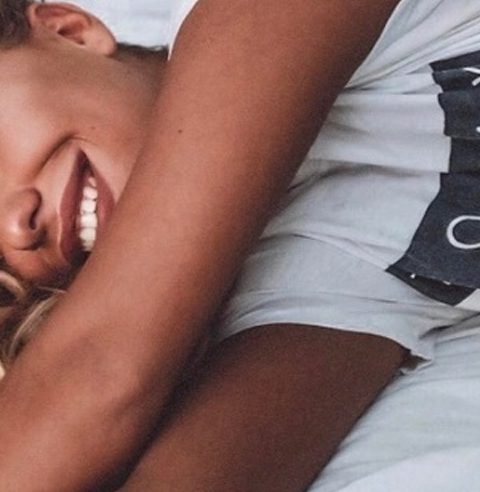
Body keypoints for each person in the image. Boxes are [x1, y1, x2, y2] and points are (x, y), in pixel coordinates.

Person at [0, 0, 479, 490]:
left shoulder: (249, 15)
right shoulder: (300, 272)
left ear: (69, 31)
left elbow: (98, 369)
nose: (15, 227)